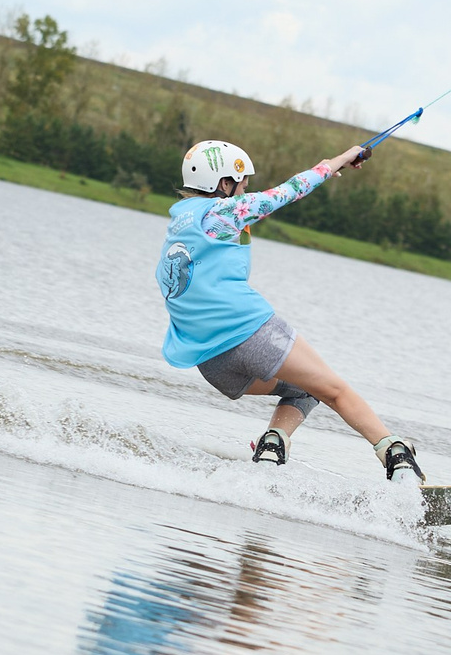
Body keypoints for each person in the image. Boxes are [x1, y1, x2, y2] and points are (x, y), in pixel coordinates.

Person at [156, 138, 421, 481]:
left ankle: (272, 445)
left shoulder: (178, 226)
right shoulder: (222, 212)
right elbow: (288, 191)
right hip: (251, 333)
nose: (245, 191)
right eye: (241, 185)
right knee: (335, 391)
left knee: (304, 386)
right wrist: (338, 160)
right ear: (223, 184)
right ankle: (396, 457)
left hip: (211, 362)